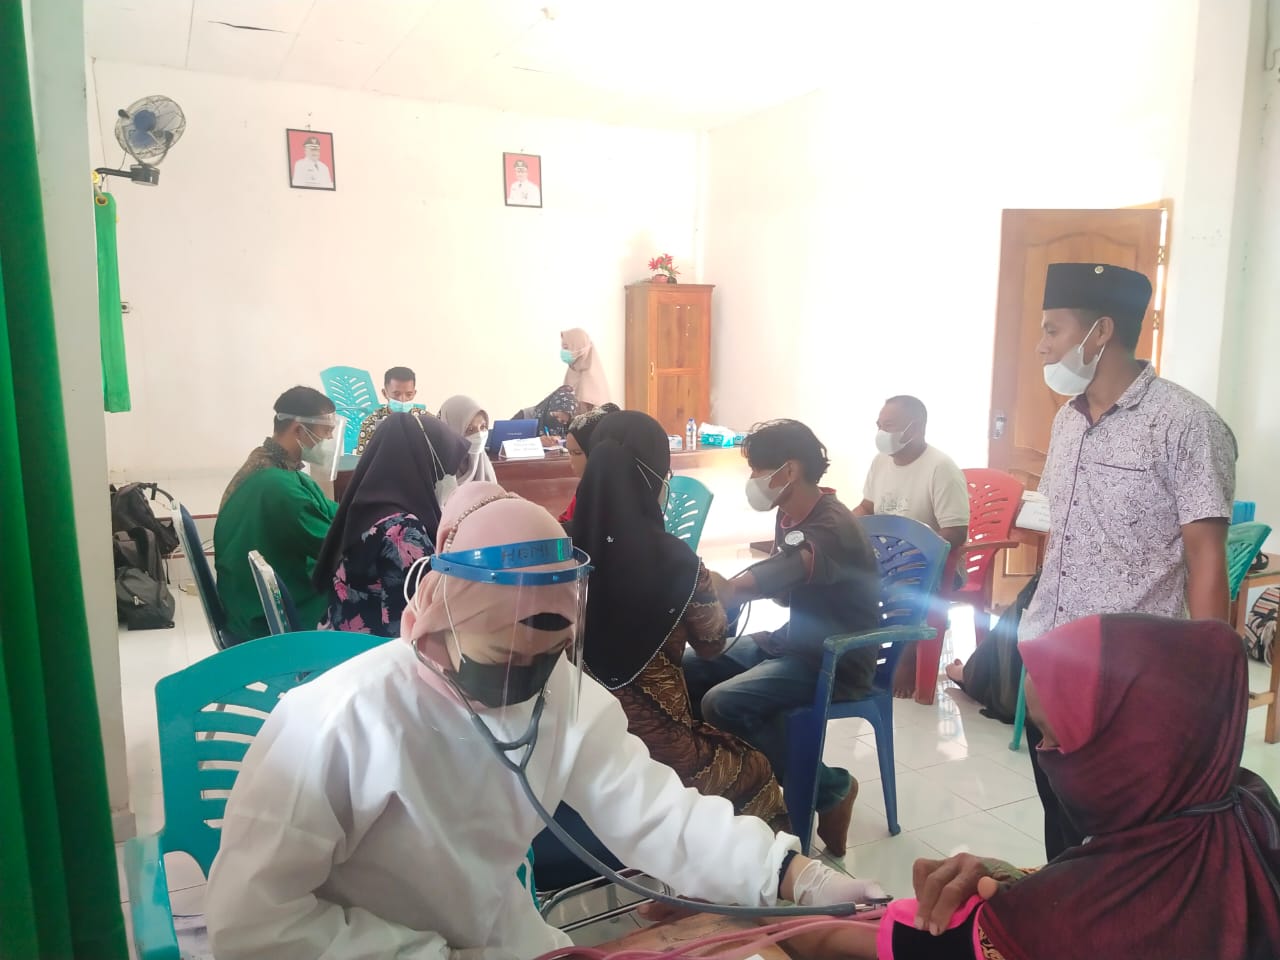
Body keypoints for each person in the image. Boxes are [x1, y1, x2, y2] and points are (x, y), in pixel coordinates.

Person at [205, 480, 882, 959]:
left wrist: (792, 874)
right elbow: (254, 926)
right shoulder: (334, 723)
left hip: (506, 941)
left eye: (547, 653)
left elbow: (656, 813)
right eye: (505, 657)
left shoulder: (560, 694)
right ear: (439, 616)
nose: (526, 682)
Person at [787, 614, 1280, 960]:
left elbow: (839, 942)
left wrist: (770, 906)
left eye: (1054, 739)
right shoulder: (1248, 810)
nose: (1044, 757)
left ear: (1125, 752)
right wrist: (1016, 878)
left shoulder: (1077, 919)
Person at [1021, 262, 1237, 860]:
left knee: (1123, 851)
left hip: (1129, 678)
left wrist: (1207, 689)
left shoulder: (1187, 424)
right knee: (1063, 835)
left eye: (1053, 329)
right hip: (1051, 665)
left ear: (1101, 332)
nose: (1041, 345)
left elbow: (1206, 559)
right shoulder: (1067, 421)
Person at [574, 411, 789, 829]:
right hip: (658, 755)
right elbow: (711, 645)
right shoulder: (677, 562)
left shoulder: (562, 550)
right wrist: (711, 594)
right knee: (757, 770)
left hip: (580, 747)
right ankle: (750, 866)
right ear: (652, 477)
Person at [683, 420, 881, 857]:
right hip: (793, 641)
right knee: (685, 669)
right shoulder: (789, 514)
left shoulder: (833, 523)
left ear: (788, 470)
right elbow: (786, 585)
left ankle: (830, 788)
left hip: (835, 656)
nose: (753, 479)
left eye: (757, 469)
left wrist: (733, 589)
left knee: (723, 703)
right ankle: (735, 783)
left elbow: (793, 566)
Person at [853, 395, 970, 700]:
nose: (881, 432)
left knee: (905, 578)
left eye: (889, 425)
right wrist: (844, 527)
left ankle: (904, 658)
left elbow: (955, 532)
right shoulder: (880, 462)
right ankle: (859, 656)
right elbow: (867, 507)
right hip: (884, 558)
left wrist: (910, 554)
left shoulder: (941, 468)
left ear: (914, 428)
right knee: (842, 575)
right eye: (879, 425)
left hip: (933, 565)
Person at [313, 412, 469, 637]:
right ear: (424, 465)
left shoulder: (369, 506)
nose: (449, 479)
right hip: (372, 650)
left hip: (343, 637)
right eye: (446, 471)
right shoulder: (402, 531)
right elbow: (413, 629)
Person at [214, 386, 338, 641]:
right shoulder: (278, 486)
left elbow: (328, 511)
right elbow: (331, 548)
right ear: (298, 430)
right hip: (265, 615)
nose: (330, 439)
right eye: (326, 431)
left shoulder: (271, 466)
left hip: (246, 602)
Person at [558, 401, 620, 525]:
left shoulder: (618, 496)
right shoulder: (586, 487)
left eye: (577, 453)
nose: (571, 460)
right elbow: (566, 521)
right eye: (569, 452)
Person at [354, 366, 419, 455]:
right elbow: (362, 460)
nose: (402, 399)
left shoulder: (426, 421)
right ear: (385, 393)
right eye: (396, 394)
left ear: (414, 393)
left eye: (408, 394)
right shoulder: (370, 423)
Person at [438, 394, 496, 484]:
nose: (479, 435)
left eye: (483, 427)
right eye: (470, 429)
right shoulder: (436, 469)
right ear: (451, 429)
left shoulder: (483, 464)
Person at [560, 328, 612, 410]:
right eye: (563, 348)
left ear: (578, 347)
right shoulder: (572, 370)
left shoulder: (592, 377)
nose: (563, 351)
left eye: (566, 348)